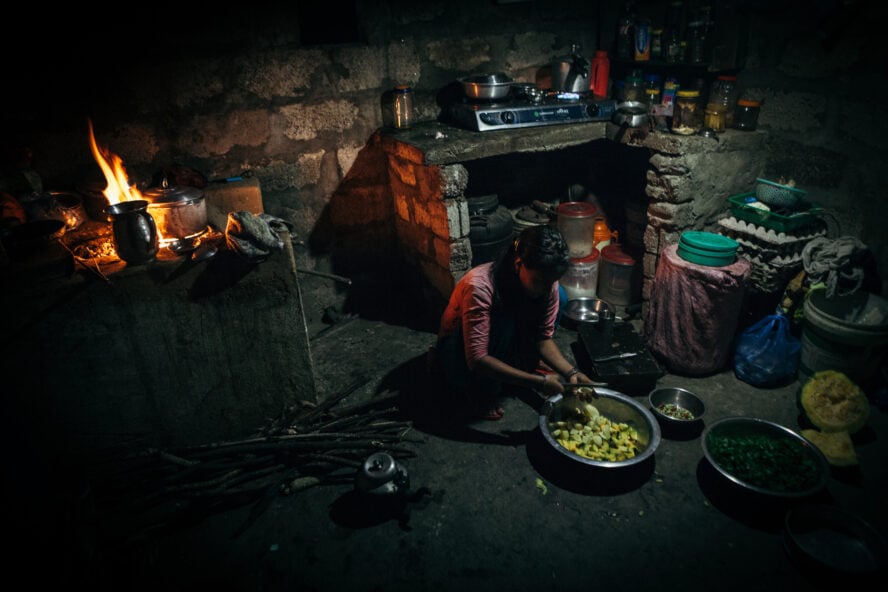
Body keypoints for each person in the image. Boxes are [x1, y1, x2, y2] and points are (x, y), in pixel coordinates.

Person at [433, 224, 593, 420]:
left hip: (504, 342)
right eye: (540, 281)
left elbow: (542, 338)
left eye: (551, 281)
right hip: (459, 357)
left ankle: (513, 370)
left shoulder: (547, 281)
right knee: (504, 320)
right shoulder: (481, 287)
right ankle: (477, 388)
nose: (546, 288)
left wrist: (571, 372)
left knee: (559, 296)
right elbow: (477, 359)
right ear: (518, 264)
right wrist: (539, 382)